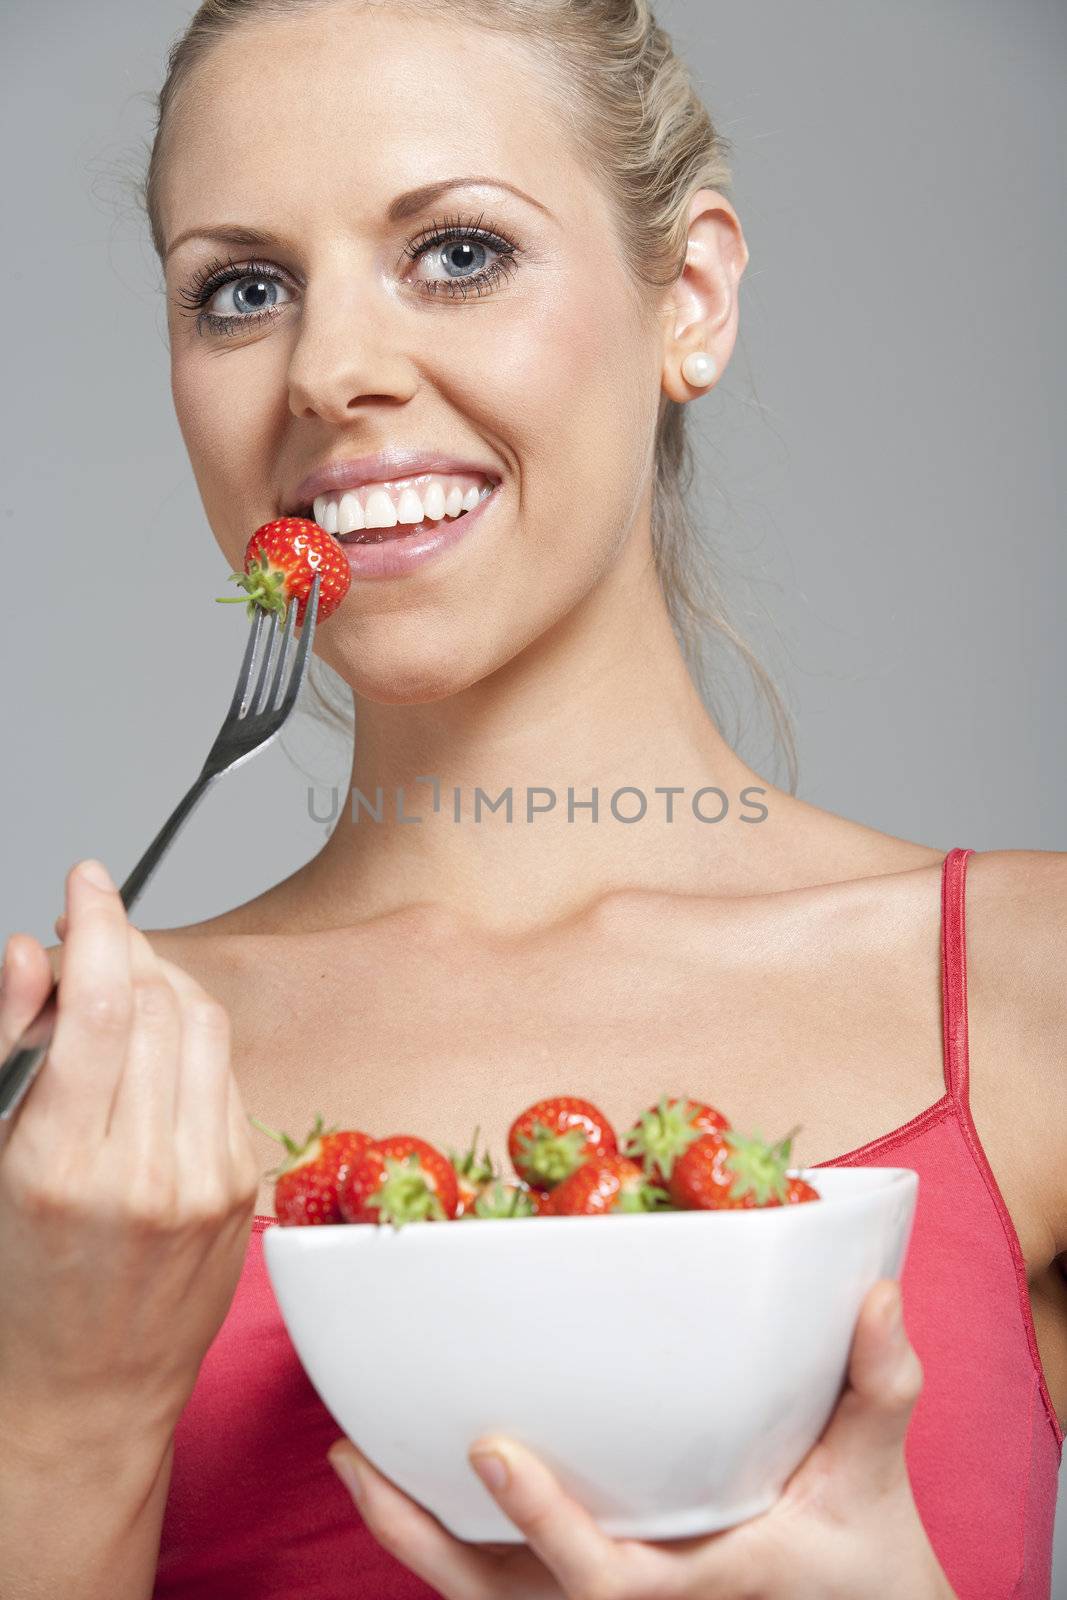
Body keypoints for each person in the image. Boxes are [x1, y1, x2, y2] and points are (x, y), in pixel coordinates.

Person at [0, 2, 1063, 1597]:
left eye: (456, 253)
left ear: (689, 298)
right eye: (244, 289)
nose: (333, 371)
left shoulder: (1038, 990)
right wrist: (64, 1416)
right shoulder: (72, 1112)